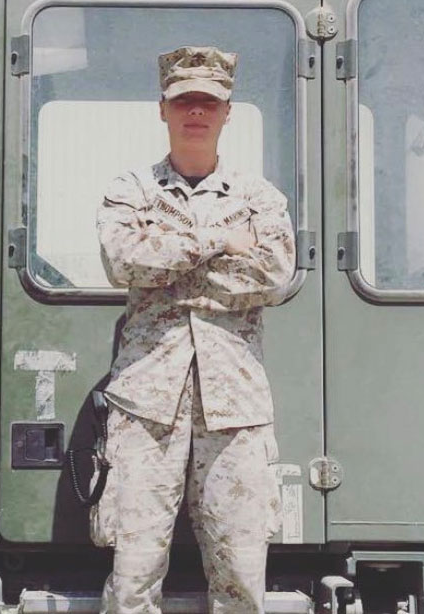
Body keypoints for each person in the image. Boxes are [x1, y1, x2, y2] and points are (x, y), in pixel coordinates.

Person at [93, 45, 296, 614]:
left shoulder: (259, 197)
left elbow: (273, 276)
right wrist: (218, 241)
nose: (196, 112)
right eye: (184, 101)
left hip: (235, 406)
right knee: (133, 578)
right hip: (145, 405)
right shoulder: (131, 190)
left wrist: (170, 264)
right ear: (163, 109)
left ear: (227, 112)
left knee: (241, 580)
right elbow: (123, 261)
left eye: (209, 101)